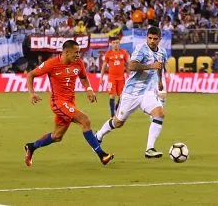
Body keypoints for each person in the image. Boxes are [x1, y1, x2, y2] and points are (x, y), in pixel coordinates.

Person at [23, 39, 113, 168]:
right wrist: (32, 94)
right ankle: (102, 155)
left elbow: (83, 77)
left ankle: (31, 147)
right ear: (66, 52)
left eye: (79, 52)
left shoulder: (78, 63)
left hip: (70, 103)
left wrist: (89, 89)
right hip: (58, 103)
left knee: (57, 136)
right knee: (85, 120)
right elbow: (30, 75)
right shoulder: (51, 64)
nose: (78, 55)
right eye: (75, 52)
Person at [95, 26, 167, 159]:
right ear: (146, 37)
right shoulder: (141, 49)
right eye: (150, 38)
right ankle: (99, 135)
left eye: (155, 39)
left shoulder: (162, 52)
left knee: (159, 113)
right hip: (131, 93)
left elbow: (160, 66)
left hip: (147, 91)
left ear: (159, 39)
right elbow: (132, 66)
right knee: (118, 122)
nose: (152, 41)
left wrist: (160, 81)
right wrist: (150, 66)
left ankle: (149, 148)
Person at [100, 36, 130, 117]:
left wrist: (130, 74)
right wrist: (101, 77)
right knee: (112, 95)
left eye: (117, 43)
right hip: (112, 78)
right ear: (111, 44)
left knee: (122, 96)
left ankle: (116, 107)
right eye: (114, 43)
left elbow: (127, 65)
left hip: (121, 78)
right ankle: (112, 115)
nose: (115, 44)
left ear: (119, 43)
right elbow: (104, 66)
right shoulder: (108, 54)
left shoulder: (123, 53)